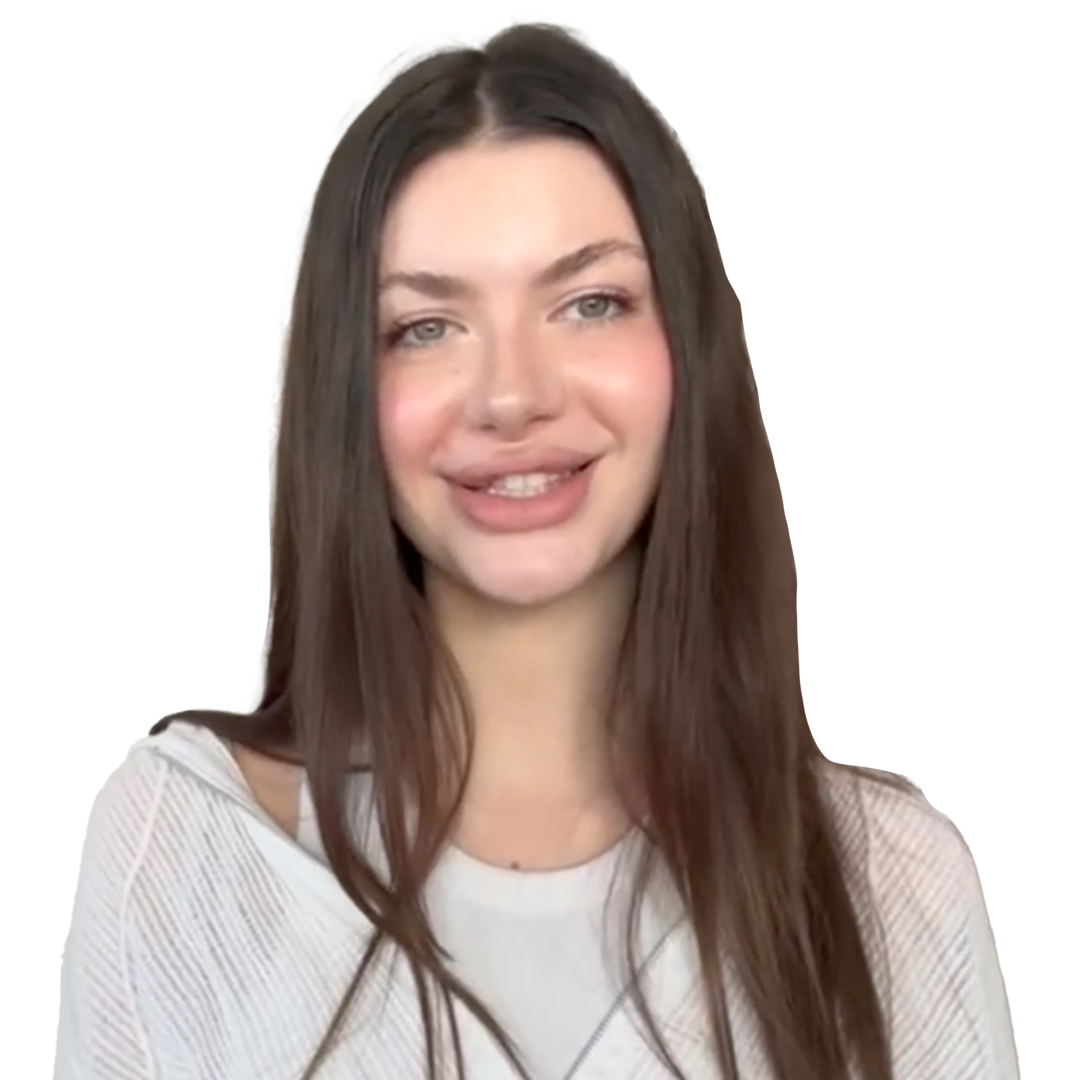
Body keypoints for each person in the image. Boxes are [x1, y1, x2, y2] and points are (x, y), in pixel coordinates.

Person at [52, 22, 1020, 1080]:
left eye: (590, 304)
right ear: (347, 391)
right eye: (426, 326)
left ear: (691, 350)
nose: (512, 395)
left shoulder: (894, 892)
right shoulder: (190, 856)